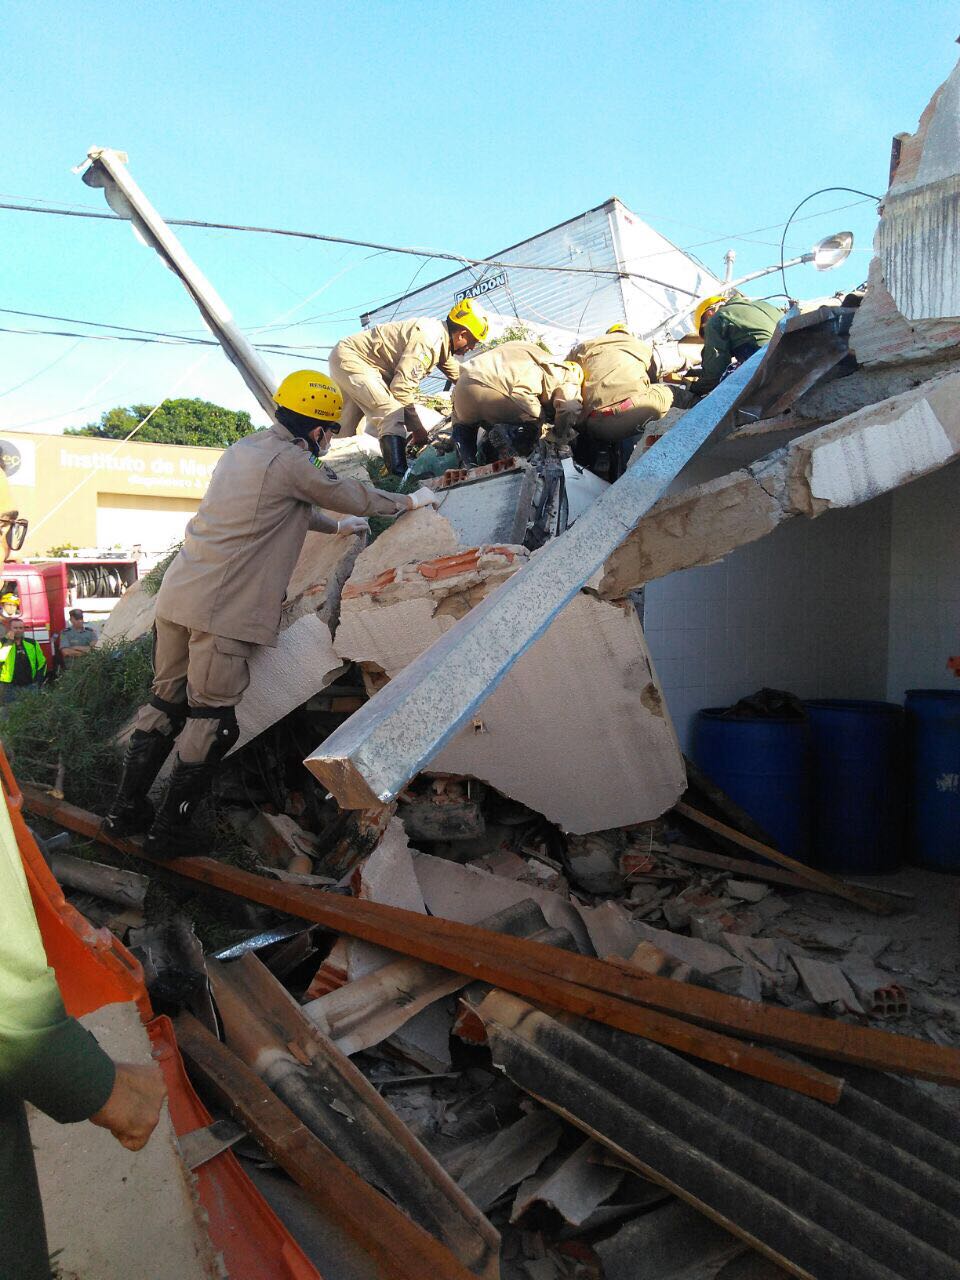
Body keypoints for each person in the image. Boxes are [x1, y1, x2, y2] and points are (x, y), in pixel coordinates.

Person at [105, 369, 439, 858]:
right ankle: (166, 836)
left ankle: (123, 812)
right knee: (212, 721)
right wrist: (409, 499)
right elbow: (345, 491)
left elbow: (281, 506)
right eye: (330, 431)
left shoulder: (247, 450)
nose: (329, 440)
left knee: (165, 705)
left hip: (178, 600)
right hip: (222, 611)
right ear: (318, 428)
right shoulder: (293, 460)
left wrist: (336, 526)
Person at [328, 299, 491, 475]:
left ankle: (334, 475)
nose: (472, 347)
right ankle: (400, 478)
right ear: (462, 334)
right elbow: (401, 389)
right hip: (353, 359)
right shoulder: (429, 340)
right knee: (390, 411)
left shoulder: (440, 340)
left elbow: (461, 378)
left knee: (345, 435)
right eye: (473, 341)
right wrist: (418, 429)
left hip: (347, 356)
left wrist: (486, 397)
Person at [566, 324, 693, 460]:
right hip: (630, 414)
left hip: (593, 424)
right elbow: (653, 379)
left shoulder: (582, 348)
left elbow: (565, 378)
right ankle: (709, 413)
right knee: (675, 394)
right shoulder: (638, 345)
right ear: (627, 334)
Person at [451, 340, 584, 466]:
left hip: (463, 385)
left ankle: (468, 464)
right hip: (503, 393)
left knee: (464, 426)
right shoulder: (569, 375)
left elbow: (458, 423)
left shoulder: (525, 348)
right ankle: (511, 435)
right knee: (536, 423)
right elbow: (569, 407)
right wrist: (559, 437)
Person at [687, 292, 783, 397]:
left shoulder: (716, 319)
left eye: (704, 333)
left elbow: (714, 373)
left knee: (725, 383)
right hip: (791, 356)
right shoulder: (763, 305)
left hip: (765, 364)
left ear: (709, 313)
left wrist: (692, 388)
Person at [0, 618, 46, 705]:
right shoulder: (2, 643)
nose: (18, 630)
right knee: (11, 714)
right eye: (15, 628)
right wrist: (9, 642)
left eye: (21, 628)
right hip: (9, 687)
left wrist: (38, 681)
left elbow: (42, 662)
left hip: (30, 685)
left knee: (31, 712)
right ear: (9, 629)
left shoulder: (32, 643)